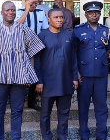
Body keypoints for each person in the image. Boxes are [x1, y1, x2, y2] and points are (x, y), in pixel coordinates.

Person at [0, 1, 45, 140]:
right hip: (0, 77)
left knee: (17, 110)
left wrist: (29, 73)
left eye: (13, 10)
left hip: (19, 77)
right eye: (7, 10)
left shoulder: (23, 29)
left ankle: (16, 137)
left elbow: (31, 52)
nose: (10, 12)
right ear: (2, 12)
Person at [72, 1, 110, 140]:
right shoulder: (77, 30)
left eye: (96, 12)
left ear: (100, 14)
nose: (94, 15)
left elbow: (108, 51)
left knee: (101, 107)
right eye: (90, 12)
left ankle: (101, 135)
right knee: (83, 106)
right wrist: (76, 72)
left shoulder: (105, 30)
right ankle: (84, 134)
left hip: (101, 75)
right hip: (84, 75)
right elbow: (74, 53)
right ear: (86, 14)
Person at [35, 8, 78, 140]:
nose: (60, 20)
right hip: (48, 83)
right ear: (48, 20)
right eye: (56, 17)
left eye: (61, 17)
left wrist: (75, 77)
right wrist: (39, 81)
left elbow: (73, 58)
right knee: (45, 113)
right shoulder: (42, 36)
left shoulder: (69, 35)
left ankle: (62, 136)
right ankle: (47, 136)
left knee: (64, 113)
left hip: (65, 81)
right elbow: (37, 61)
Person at [16, 0, 49, 111]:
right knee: (20, 74)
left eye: (36, 3)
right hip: (20, 48)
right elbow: (17, 26)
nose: (34, 5)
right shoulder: (18, 12)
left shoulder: (41, 13)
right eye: (32, 3)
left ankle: (32, 101)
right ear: (26, 1)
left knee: (35, 73)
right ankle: (19, 101)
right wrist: (26, 9)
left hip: (36, 48)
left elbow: (45, 30)